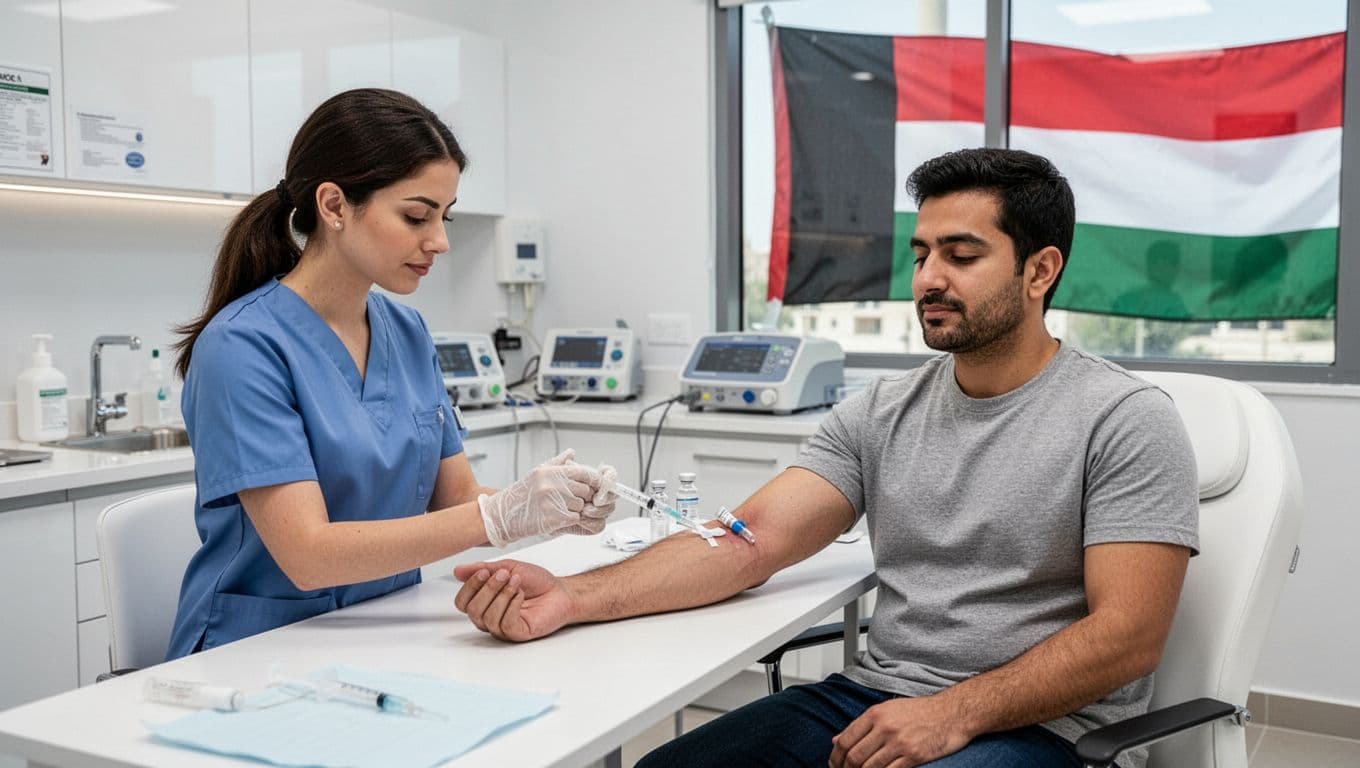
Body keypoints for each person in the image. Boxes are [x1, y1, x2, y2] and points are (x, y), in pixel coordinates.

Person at [452, 148, 1199, 768]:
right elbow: (749, 539)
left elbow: (1128, 636)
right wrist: (570, 594)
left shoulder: (1124, 420)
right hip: (876, 697)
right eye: (923, 252)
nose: (929, 278)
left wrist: (951, 714)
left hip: (1044, 729)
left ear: (1039, 272)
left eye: (962, 255)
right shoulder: (881, 410)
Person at [165, 88, 616, 660]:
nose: (441, 241)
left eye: (444, 217)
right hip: (255, 651)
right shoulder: (241, 347)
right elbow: (309, 556)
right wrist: (500, 517)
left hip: (385, 628)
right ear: (333, 206)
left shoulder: (407, 333)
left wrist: (553, 508)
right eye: (416, 216)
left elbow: (459, 499)